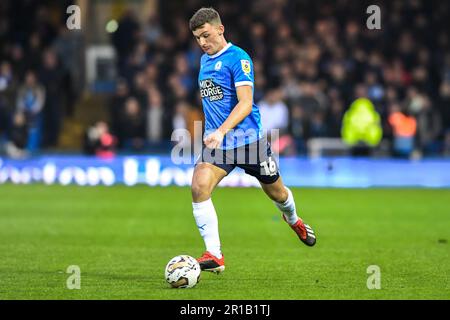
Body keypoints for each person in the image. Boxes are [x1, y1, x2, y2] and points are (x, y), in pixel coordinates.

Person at [189, 7, 316, 273]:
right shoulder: (204, 61)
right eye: (197, 38)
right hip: (220, 145)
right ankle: (215, 255)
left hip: (249, 143)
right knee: (199, 185)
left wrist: (221, 129)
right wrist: (214, 132)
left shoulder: (239, 59)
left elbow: (246, 104)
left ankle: (293, 220)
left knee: (278, 193)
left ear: (220, 30)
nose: (202, 42)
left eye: (206, 35)